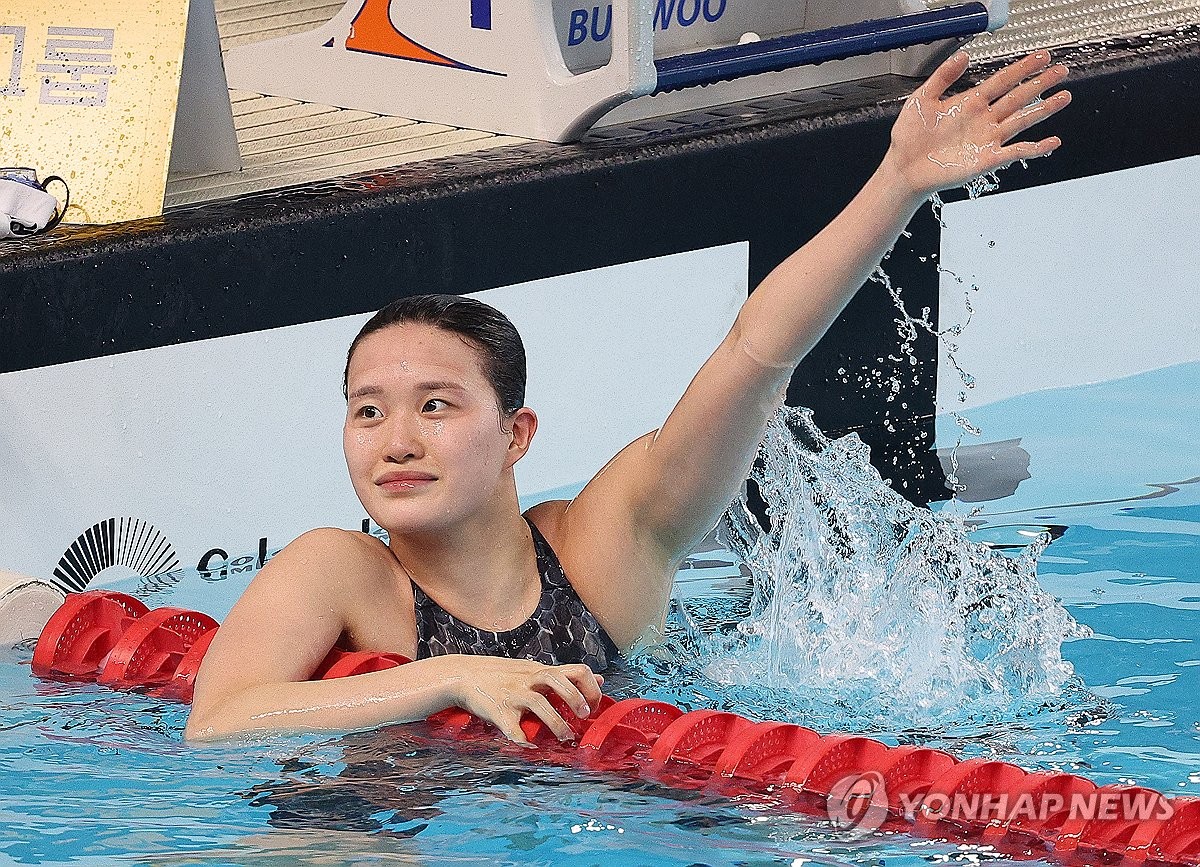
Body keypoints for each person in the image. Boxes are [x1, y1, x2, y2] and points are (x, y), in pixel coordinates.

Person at [186, 50, 1071, 746]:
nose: (396, 440)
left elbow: (753, 356)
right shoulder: (341, 572)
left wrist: (896, 184)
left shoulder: (608, 544)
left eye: (437, 405)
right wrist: (450, 677)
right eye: (367, 410)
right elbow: (219, 720)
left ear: (516, 434)